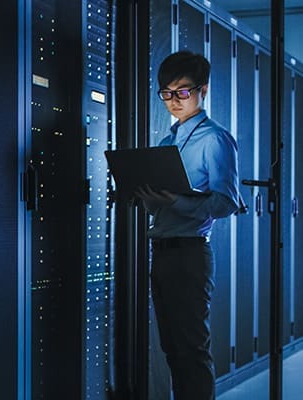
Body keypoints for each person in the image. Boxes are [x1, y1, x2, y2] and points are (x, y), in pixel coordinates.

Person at [135, 50, 240, 400]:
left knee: (192, 351)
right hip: (162, 253)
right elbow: (162, 207)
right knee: (173, 350)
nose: (174, 101)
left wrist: (176, 202)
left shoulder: (214, 139)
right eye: (167, 92)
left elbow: (226, 202)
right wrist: (151, 200)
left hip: (190, 256)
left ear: (203, 90)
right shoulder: (167, 143)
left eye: (183, 91)